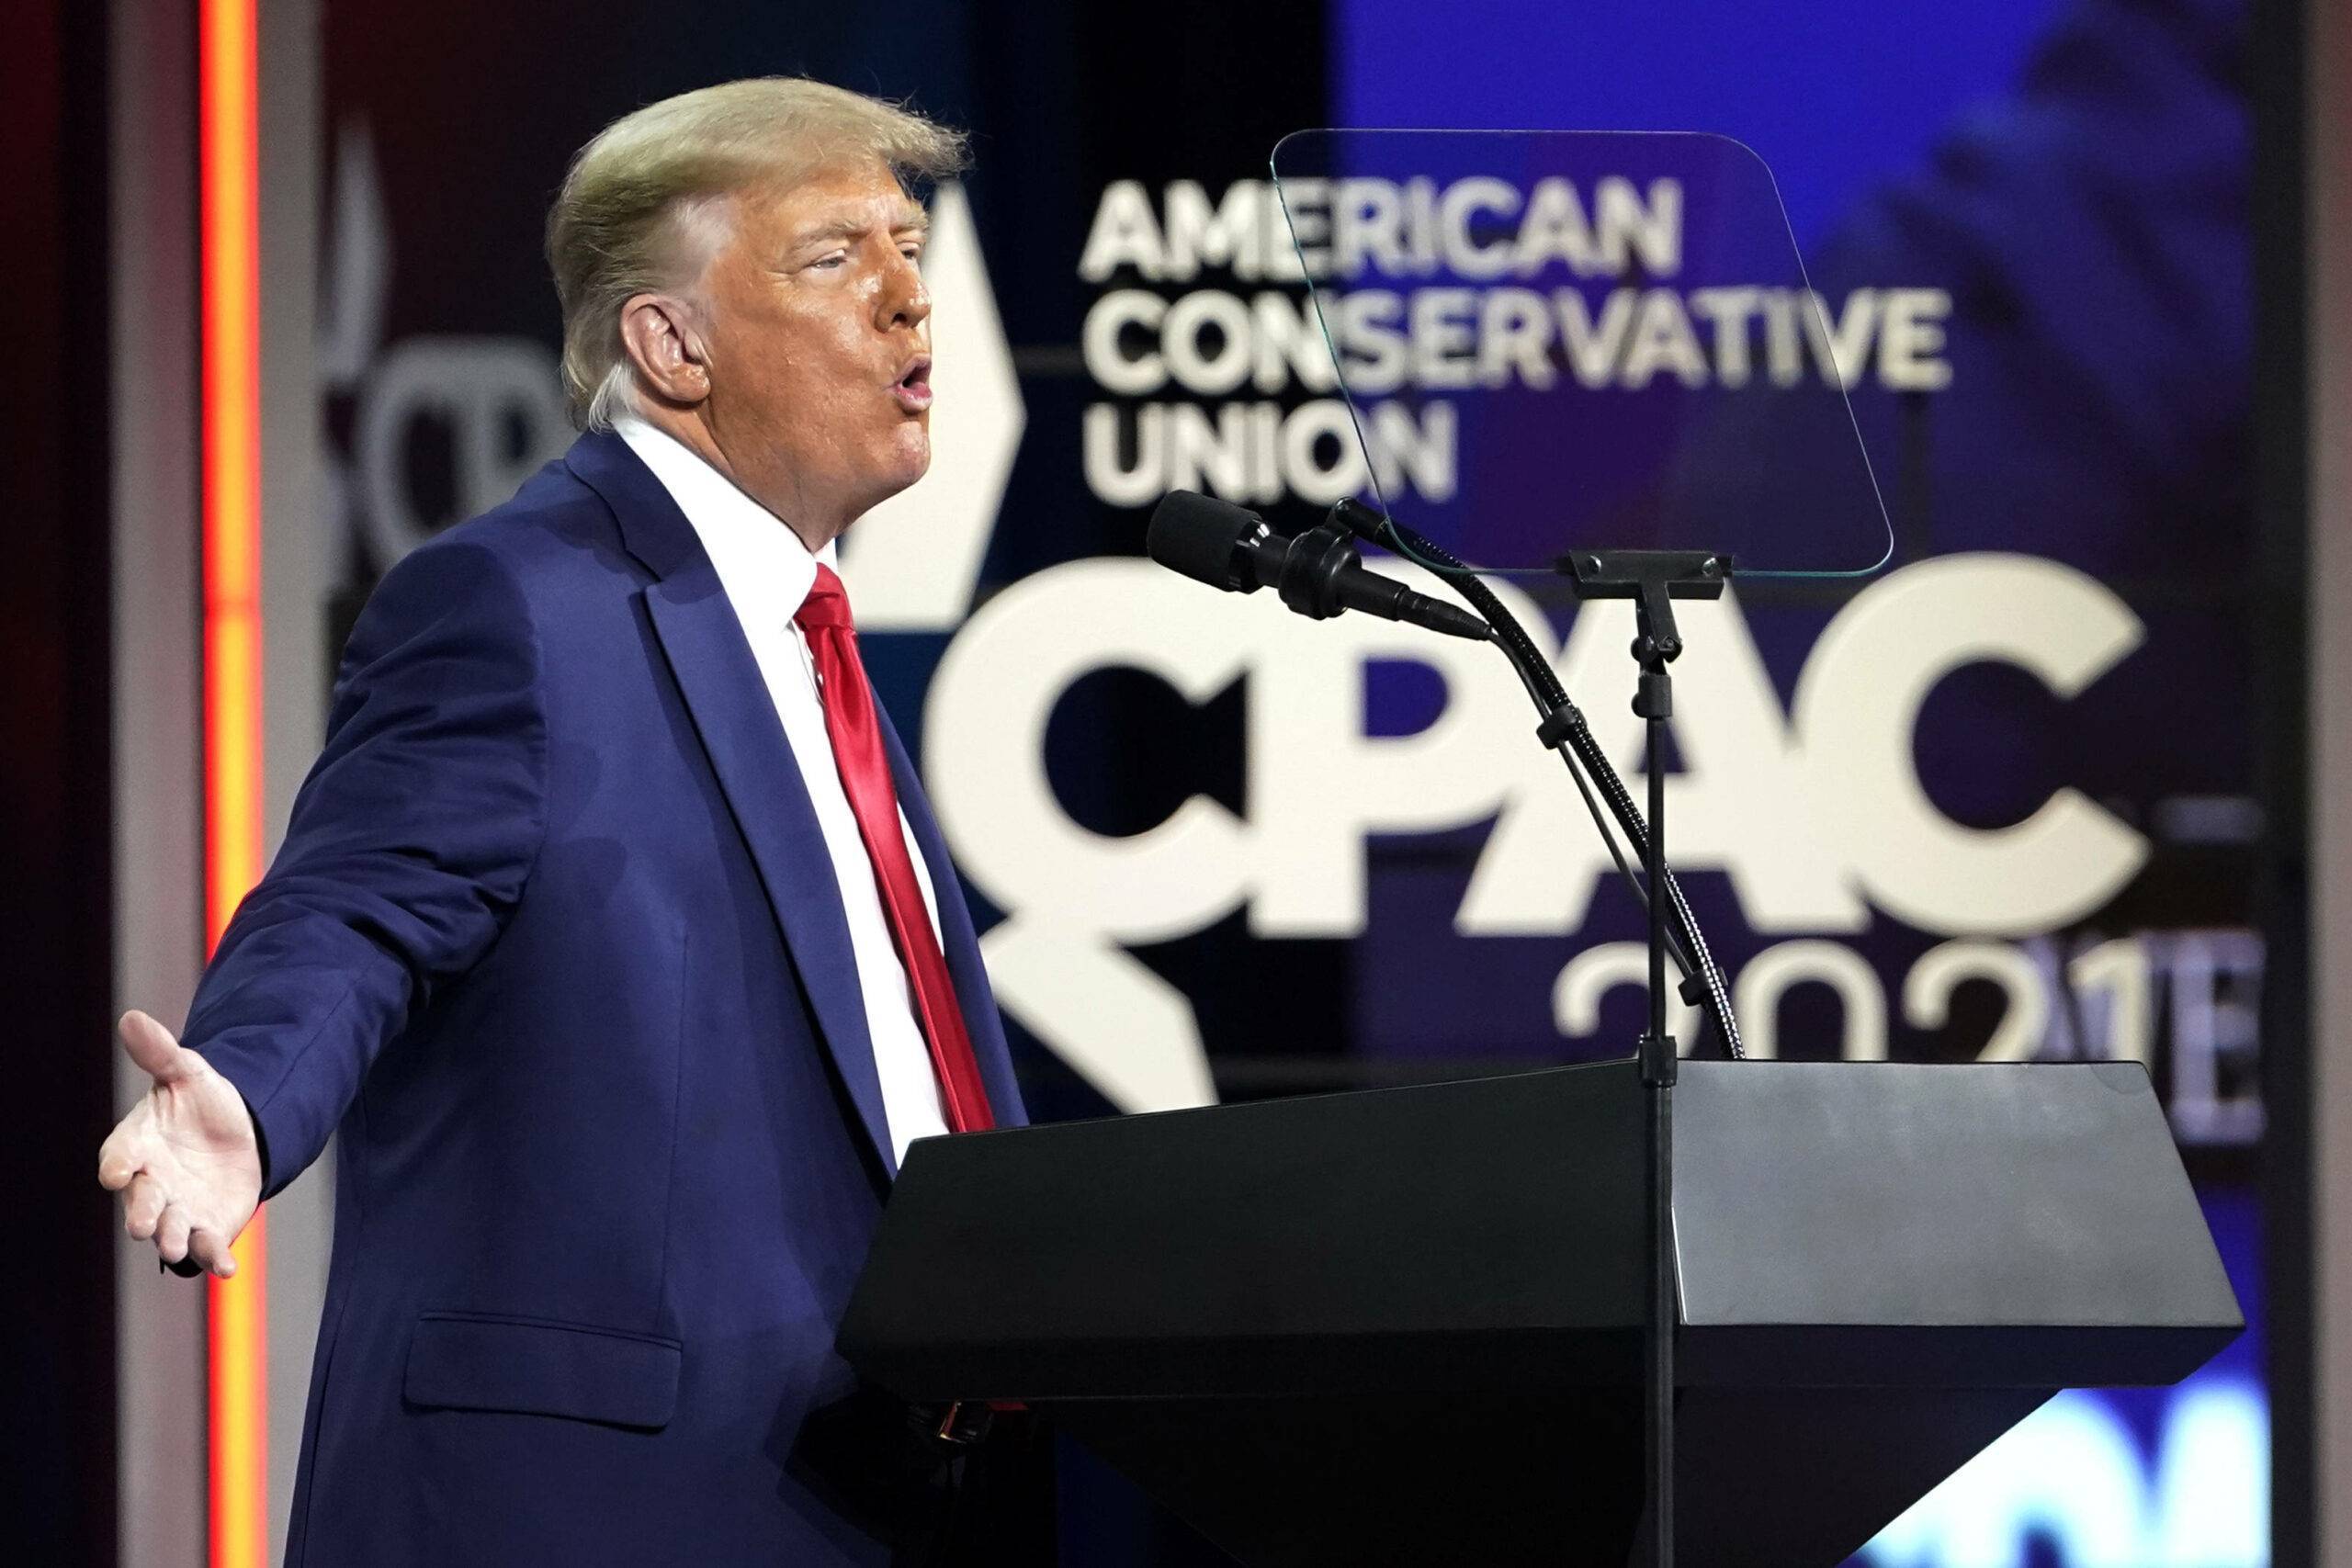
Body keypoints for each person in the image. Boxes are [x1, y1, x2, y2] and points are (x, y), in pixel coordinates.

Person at [96, 77, 1027, 1565]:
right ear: (673, 346)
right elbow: (355, 907)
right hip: (614, 1509)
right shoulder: (517, 602)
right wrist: (251, 1093)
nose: (910, 301)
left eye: (909, 245)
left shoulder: (813, 644)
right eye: (835, 257)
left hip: (880, 1501)